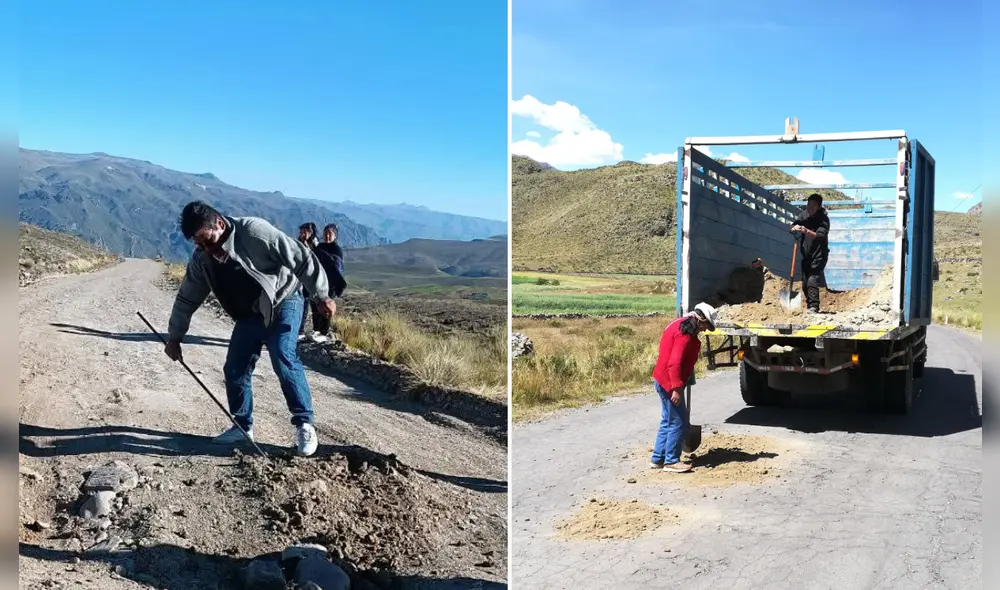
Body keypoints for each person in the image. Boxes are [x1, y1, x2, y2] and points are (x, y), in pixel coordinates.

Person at [164, 202, 336, 457]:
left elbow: (300, 257)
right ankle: (242, 426)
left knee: (282, 355)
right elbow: (187, 298)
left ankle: (304, 424)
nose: (204, 248)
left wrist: (321, 294)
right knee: (235, 366)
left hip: (284, 299)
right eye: (198, 243)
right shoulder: (202, 258)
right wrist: (174, 337)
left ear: (219, 224)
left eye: (207, 240)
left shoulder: (254, 232)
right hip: (251, 312)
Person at [649, 302, 717, 473]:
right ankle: (671, 461)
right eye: (705, 326)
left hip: (663, 378)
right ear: (701, 320)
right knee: (678, 422)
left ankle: (658, 458)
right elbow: (674, 362)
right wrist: (677, 388)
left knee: (668, 419)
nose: (704, 330)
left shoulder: (677, 324)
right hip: (669, 382)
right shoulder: (684, 334)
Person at [790, 193, 831, 314]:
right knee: (805, 282)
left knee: (813, 280)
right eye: (809, 204)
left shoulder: (823, 219)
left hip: (819, 255)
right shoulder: (804, 215)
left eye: (814, 205)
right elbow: (793, 224)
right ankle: (809, 305)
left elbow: (821, 235)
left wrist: (806, 231)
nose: (810, 207)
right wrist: (793, 228)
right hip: (806, 255)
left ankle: (814, 307)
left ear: (819, 207)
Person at [309, 223, 348, 340]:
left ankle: (324, 333)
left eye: (330, 234)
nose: (327, 236)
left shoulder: (337, 250)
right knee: (315, 305)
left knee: (326, 307)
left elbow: (337, 268)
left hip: (330, 285)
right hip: (317, 282)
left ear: (335, 236)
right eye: (325, 233)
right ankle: (316, 330)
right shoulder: (319, 247)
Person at [296, 222, 321, 340]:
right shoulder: (297, 243)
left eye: (305, 232)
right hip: (297, 277)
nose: (302, 234)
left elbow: (315, 259)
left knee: (308, 303)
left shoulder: (315, 244)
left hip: (310, 279)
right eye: (301, 232)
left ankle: (306, 330)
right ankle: (297, 329)